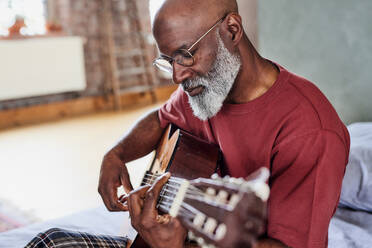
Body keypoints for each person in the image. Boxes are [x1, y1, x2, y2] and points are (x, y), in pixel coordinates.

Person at [26, 0, 350, 247]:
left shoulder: (309, 130)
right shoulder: (205, 90)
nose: (177, 76)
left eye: (186, 55)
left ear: (232, 30)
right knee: (52, 240)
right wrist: (116, 155)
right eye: (168, 61)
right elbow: (160, 119)